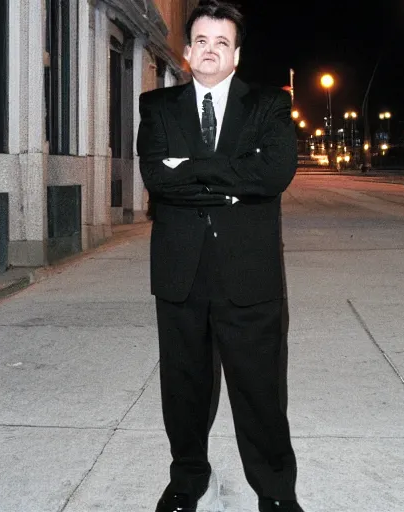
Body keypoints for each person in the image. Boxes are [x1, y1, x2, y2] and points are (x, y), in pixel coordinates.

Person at [136, 1, 303, 511]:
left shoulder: (270, 106)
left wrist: (192, 170)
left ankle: (274, 491)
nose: (211, 51)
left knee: (260, 393)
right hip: (180, 274)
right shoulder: (158, 107)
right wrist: (232, 179)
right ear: (187, 52)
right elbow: (158, 180)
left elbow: (274, 174)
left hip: (249, 275)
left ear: (236, 55)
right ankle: (187, 480)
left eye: (222, 43)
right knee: (184, 390)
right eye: (202, 42)